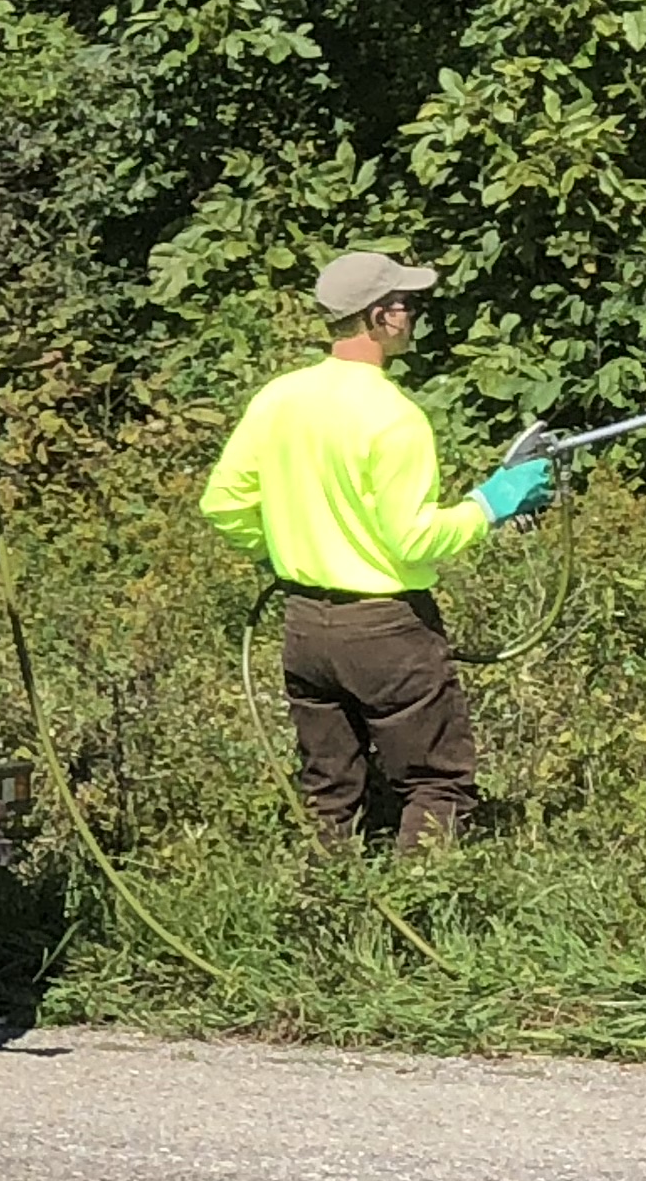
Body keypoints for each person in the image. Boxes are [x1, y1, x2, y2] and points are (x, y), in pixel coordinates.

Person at [198, 252, 553, 851]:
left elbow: (224, 503)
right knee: (437, 783)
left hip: (306, 628)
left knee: (328, 788)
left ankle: (324, 913)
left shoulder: (280, 398)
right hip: (388, 631)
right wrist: (493, 503)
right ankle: (423, 913)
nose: (413, 316)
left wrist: (279, 553)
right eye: (407, 305)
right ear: (379, 316)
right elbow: (413, 538)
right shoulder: (395, 417)